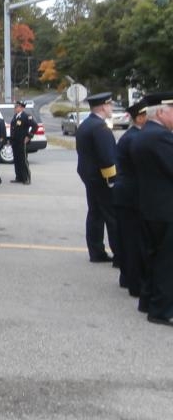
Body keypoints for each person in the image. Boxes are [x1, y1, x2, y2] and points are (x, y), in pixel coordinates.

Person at [129, 91, 173, 327]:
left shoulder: (146, 134)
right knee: (166, 262)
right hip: (165, 209)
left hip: (151, 205)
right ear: (162, 112)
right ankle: (161, 309)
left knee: (154, 257)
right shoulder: (161, 137)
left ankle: (147, 299)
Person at [75, 92, 119, 263]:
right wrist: (112, 181)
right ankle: (120, 255)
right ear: (102, 107)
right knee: (112, 217)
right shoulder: (100, 128)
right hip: (102, 179)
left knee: (95, 214)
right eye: (110, 105)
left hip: (90, 177)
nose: (111, 108)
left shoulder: (86, 124)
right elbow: (107, 158)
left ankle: (96, 251)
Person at [113, 99, 147, 297]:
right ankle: (134, 281)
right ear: (140, 117)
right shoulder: (134, 138)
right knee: (133, 239)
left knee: (128, 238)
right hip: (130, 195)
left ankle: (127, 276)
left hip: (125, 193)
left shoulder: (132, 136)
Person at [10, 101, 38, 185]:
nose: (15, 108)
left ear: (22, 107)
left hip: (22, 141)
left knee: (23, 160)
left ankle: (26, 178)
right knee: (17, 160)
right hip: (15, 142)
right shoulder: (16, 116)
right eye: (15, 106)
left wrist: (29, 136)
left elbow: (35, 126)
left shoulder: (26, 116)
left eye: (17, 107)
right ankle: (19, 177)